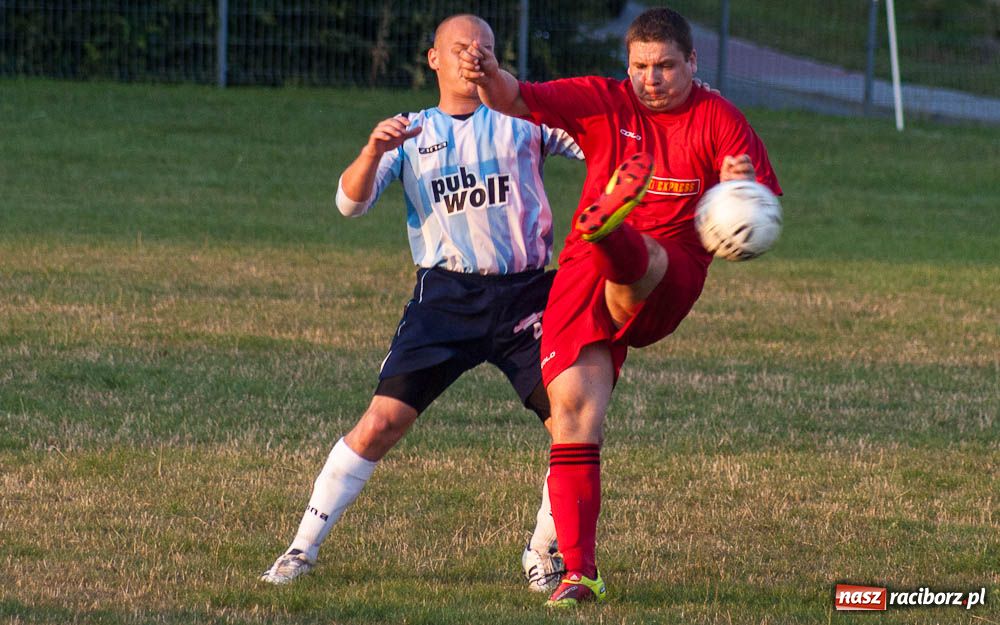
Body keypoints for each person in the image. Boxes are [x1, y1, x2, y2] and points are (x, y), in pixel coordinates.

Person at [459, 6, 782, 607]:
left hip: (674, 270)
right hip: (581, 277)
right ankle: (581, 574)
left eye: (664, 66)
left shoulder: (720, 119)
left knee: (650, 259)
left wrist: (740, 185)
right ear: (626, 64)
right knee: (576, 416)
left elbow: (757, 213)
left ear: (693, 62)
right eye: (640, 66)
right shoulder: (603, 100)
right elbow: (513, 99)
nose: (651, 79)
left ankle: (614, 232)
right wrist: (487, 75)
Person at [258, 14, 583, 592]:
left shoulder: (526, 121)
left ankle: (544, 553)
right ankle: (299, 550)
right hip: (447, 298)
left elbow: (603, 142)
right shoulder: (409, 132)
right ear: (433, 59)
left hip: (529, 296)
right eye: (459, 47)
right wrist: (370, 150)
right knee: (380, 423)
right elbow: (348, 204)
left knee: (571, 425)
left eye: (485, 47)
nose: (472, 56)